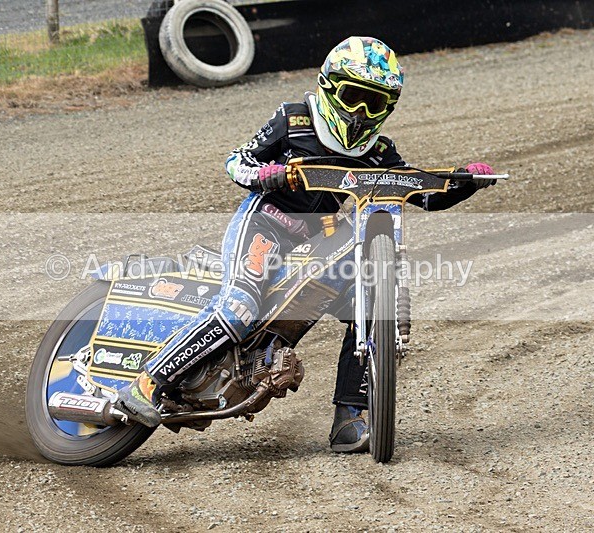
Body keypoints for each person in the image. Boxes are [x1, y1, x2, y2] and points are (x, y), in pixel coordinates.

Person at [117, 36, 496, 452]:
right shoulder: (293, 118)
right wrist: (269, 174)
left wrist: (462, 182)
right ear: (330, 88)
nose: (360, 113)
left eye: (375, 103)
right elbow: (237, 161)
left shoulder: (380, 152)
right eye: (354, 96)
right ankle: (149, 381)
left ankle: (350, 419)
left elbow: (418, 193)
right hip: (266, 224)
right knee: (241, 307)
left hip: (317, 245)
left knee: (366, 306)